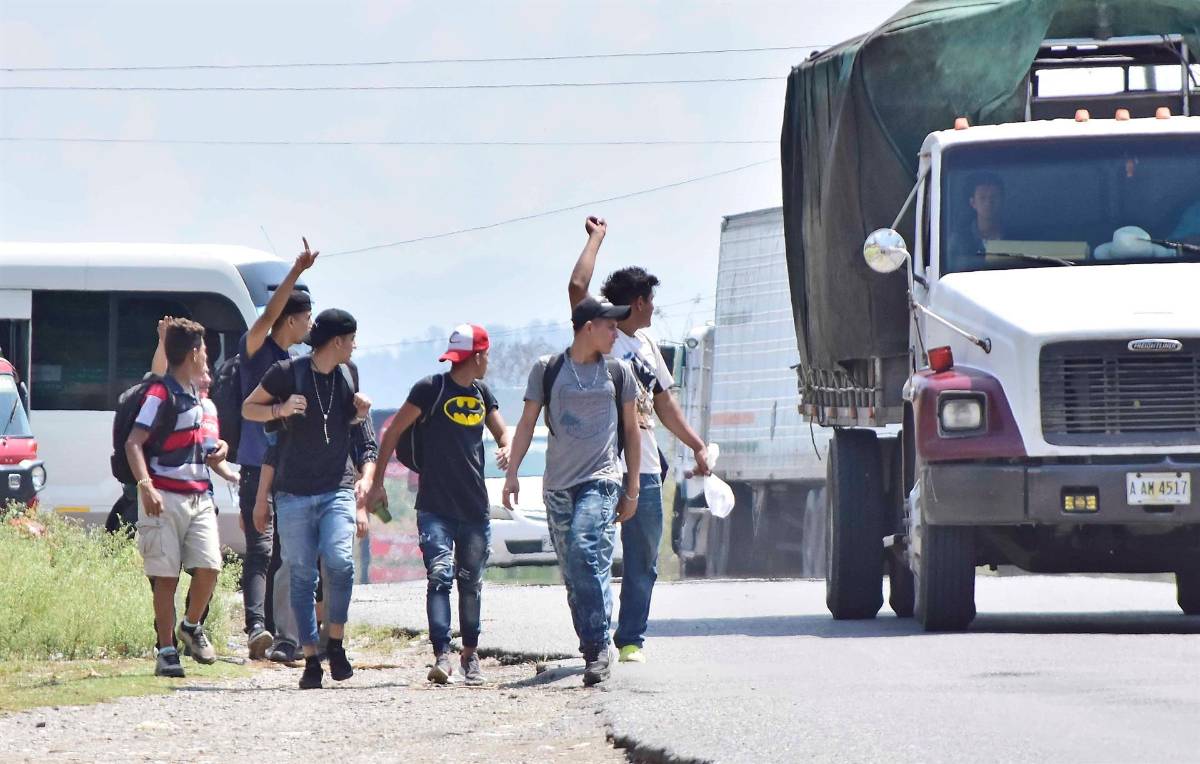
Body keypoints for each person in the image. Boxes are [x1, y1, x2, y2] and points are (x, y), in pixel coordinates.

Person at [567, 216, 710, 664]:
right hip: (600, 466)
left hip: (645, 467)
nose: (654, 307)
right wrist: (596, 239)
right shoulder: (599, 334)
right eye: (651, 300)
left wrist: (696, 444)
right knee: (591, 555)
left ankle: (630, 639)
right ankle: (594, 635)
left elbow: (665, 404)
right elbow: (576, 286)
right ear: (640, 301)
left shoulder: (646, 345)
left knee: (643, 557)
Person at [503, 295, 640, 687]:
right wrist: (512, 473)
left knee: (583, 548)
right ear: (587, 328)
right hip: (558, 487)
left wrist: (632, 488)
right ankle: (591, 642)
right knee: (577, 569)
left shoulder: (618, 372)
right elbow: (527, 424)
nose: (616, 333)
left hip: (602, 479)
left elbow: (631, 432)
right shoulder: (548, 370)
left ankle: (597, 647)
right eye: (609, 326)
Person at [242, 308, 377, 689]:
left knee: (340, 562)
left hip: (337, 487)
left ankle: (335, 641)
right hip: (293, 493)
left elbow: (345, 429)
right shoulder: (288, 373)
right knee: (301, 575)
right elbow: (248, 408)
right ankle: (311, 659)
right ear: (337, 341)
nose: (355, 345)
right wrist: (280, 408)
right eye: (352, 339)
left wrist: (359, 415)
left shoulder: (348, 375)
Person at [369, 324, 510, 686]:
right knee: (439, 577)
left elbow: (502, 431)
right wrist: (378, 482)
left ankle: (471, 656)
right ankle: (442, 656)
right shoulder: (430, 389)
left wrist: (507, 447)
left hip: (475, 507)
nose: (488, 361)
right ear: (477, 356)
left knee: (471, 582)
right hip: (434, 506)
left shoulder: (482, 394)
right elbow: (394, 432)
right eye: (487, 355)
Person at [125, 317, 227, 678]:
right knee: (165, 577)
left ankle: (191, 625)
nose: (206, 355)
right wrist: (146, 486)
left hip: (199, 497)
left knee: (210, 567)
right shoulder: (161, 393)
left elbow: (202, 444)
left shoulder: (199, 397)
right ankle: (166, 650)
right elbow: (134, 442)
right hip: (163, 496)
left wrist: (220, 454)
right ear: (194, 352)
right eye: (204, 349)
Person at [236, 242, 317, 660]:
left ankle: (278, 636)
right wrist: (295, 271)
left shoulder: (294, 362)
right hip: (253, 467)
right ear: (291, 317)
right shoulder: (257, 350)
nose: (309, 325)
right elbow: (267, 316)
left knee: (285, 555)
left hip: (286, 472)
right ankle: (254, 628)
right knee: (261, 549)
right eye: (306, 317)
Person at [949, 172, 1006, 260]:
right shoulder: (959, 241)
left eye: (993, 197)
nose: (988, 203)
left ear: (1002, 200)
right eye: (982, 198)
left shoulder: (1016, 236)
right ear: (973, 203)